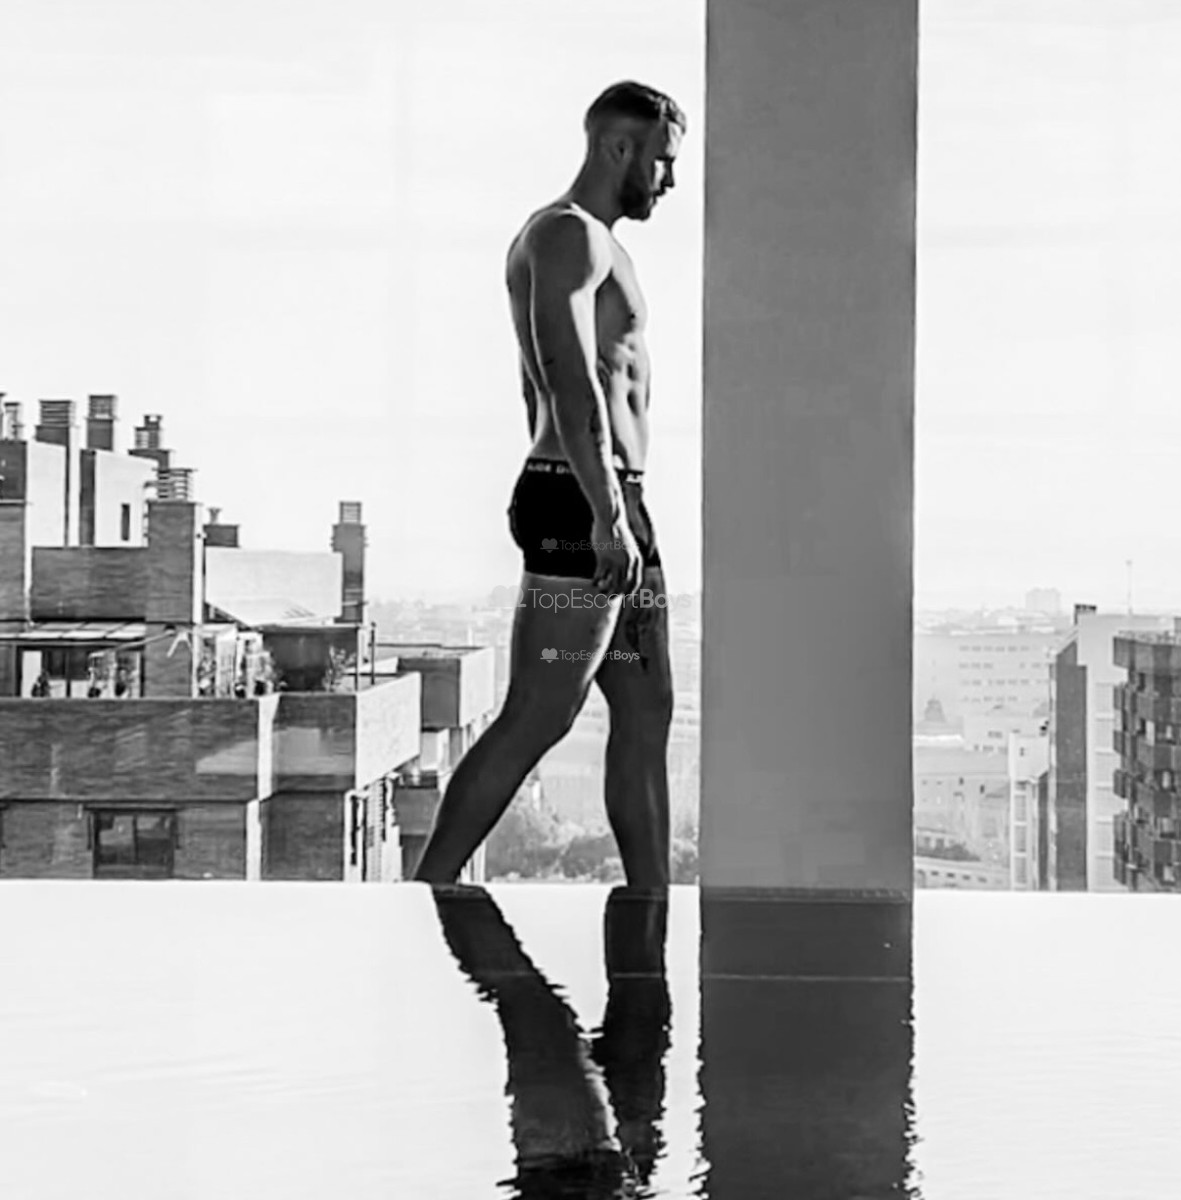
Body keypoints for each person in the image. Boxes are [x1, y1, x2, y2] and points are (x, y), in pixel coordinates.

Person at [413, 80, 685, 888]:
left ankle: (649, 904)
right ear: (617, 147)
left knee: (646, 706)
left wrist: (619, 508)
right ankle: (427, 892)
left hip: (613, 498)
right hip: (581, 503)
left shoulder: (600, 244)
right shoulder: (565, 235)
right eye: (661, 161)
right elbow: (568, 381)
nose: (669, 180)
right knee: (541, 712)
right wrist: (604, 515)